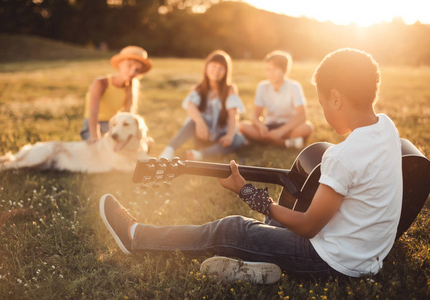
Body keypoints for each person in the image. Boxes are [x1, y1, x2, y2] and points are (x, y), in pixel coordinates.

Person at [100, 48, 402, 281]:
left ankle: (136, 236)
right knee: (277, 220)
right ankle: (259, 266)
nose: (322, 110)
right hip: (368, 255)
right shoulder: (387, 129)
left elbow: (309, 226)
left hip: (333, 262)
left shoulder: (343, 156)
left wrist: (248, 193)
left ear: (335, 98)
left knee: (231, 228)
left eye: (322, 103)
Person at [158, 50, 246, 161]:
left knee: (239, 139)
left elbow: (233, 115)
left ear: (226, 72)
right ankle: (169, 150)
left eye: (221, 68)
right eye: (213, 66)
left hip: (221, 137)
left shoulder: (229, 89)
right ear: (206, 67)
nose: (216, 71)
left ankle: (200, 154)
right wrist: (200, 123)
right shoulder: (199, 89)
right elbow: (190, 106)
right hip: (203, 134)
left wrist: (230, 135)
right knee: (194, 119)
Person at [239, 50, 313, 149]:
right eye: (268, 70)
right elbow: (255, 117)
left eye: (273, 69)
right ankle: (286, 143)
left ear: (284, 70)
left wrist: (280, 131)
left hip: (288, 128)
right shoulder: (262, 87)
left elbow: (302, 116)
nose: (270, 73)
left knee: (307, 128)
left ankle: (266, 141)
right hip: (269, 127)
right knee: (242, 126)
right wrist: (260, 127)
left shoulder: (294, 86)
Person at [80, 46, 152, 142]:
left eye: (137, 70)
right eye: (129, 66)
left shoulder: (131, 89)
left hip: (115, 126)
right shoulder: (101, 83)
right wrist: (95, 140)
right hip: (93, 126)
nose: (132, 72)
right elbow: (93, 115)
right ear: (120, 65)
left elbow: (128, 117)